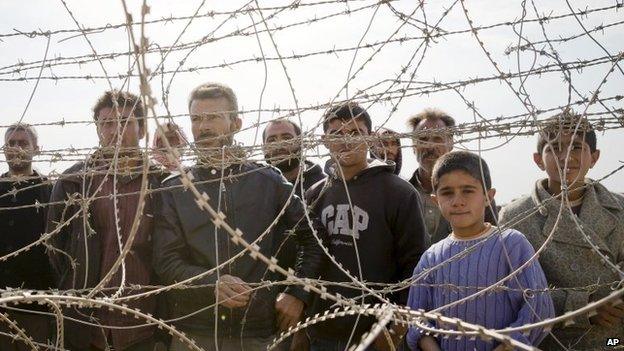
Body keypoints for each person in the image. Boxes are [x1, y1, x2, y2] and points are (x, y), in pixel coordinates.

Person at [152, 82, 327, 351]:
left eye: (213, 117)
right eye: (196, 119)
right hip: (194, 331)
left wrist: (298, 293)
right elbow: (165, 260)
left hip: (259, 331)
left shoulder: (267, 180)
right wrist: (212, 284)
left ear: (236, 123)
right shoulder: (176, 188)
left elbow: (313, 239)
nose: (204, 127)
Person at [46, 91, 167, 351]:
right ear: (98, 129)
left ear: (142, 129)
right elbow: (56, 250)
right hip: (87, 327)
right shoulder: (74, 183)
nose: (115, 131)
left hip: (145, 326)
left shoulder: (161, 184)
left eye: (125, 122)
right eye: (107, 123)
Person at [306, 102, 429, 351]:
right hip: (322, 330)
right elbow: (307, 260)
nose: (346, 141)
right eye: (337, 134)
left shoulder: (398, 192)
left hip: (378, 334)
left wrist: (395, 328)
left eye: (355, 132)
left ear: (370, 137)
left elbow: (415, 265)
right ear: (324, 141)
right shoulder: (316, 194)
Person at [499, 111, 624, 350]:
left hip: (613, 339)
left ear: (594, 157)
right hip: (553, 341)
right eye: (554, 147)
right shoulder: (517, 216)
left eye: (577, 147)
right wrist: (586, 306)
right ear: (538, 159)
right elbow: (515, 292)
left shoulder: (619, 209)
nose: (566, 156)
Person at [407, 151, 554, 351]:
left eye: (468, 191)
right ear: (435, 200)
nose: (457, 201)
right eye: (447, 192)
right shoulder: (431, 258)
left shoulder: (511, 245)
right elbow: (418, 322)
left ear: (488, 196)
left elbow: (539, 311)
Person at [0, 123, 55, 350]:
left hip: (37, 303)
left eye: (23, 143)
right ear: (4, 149)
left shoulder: (50, 191)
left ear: (36, 149)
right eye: (11, 143)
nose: (16, 148)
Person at [408, 109, 498, 244]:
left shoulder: (476, 192)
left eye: (437, 138)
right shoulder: (403, 193)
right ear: (413, 146)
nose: (430, 146)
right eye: (423, 139)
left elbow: (491, 239)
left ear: (450, 143)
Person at [262, 118, 326, 198]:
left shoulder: (323, 185)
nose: (279, 145)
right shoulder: (256, 187)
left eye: (287, 138)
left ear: (301, 143)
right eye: (271, 140)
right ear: (263, 148)